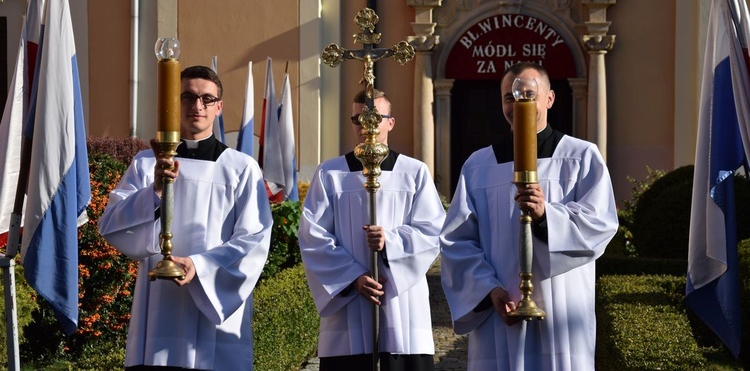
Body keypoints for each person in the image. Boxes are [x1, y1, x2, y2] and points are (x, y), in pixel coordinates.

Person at [440, 62, 619, 370]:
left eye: (528, 94)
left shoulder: (580, 157)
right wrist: (490, 290)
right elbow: (457, 241)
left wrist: (545, 216)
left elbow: (600, 223)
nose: (517, 103)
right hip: (501, 311)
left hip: (562, 310)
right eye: (509, 97)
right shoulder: (479, 165)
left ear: (549, 98)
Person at [98, 65, 273, 370]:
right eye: (188, 97)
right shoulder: (146, 163)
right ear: (176, 103)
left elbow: (254, 239)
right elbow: (111, 224)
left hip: (215, 311)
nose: (197, 106)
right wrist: (152, 192)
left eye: (207, 99)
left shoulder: (242, 168)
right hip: (159, 309)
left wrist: (200, 267)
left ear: (219, 107)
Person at [298, 89, 446, 371]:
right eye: (360, 118)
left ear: (391, 122)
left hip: (402, 303)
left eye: (376, 117)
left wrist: (390, 242)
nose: (367, 125)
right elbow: (312, 236)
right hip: (350, 304)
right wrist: (353, 277)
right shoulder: (330, 174)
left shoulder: (414, 172)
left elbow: (432, 230)